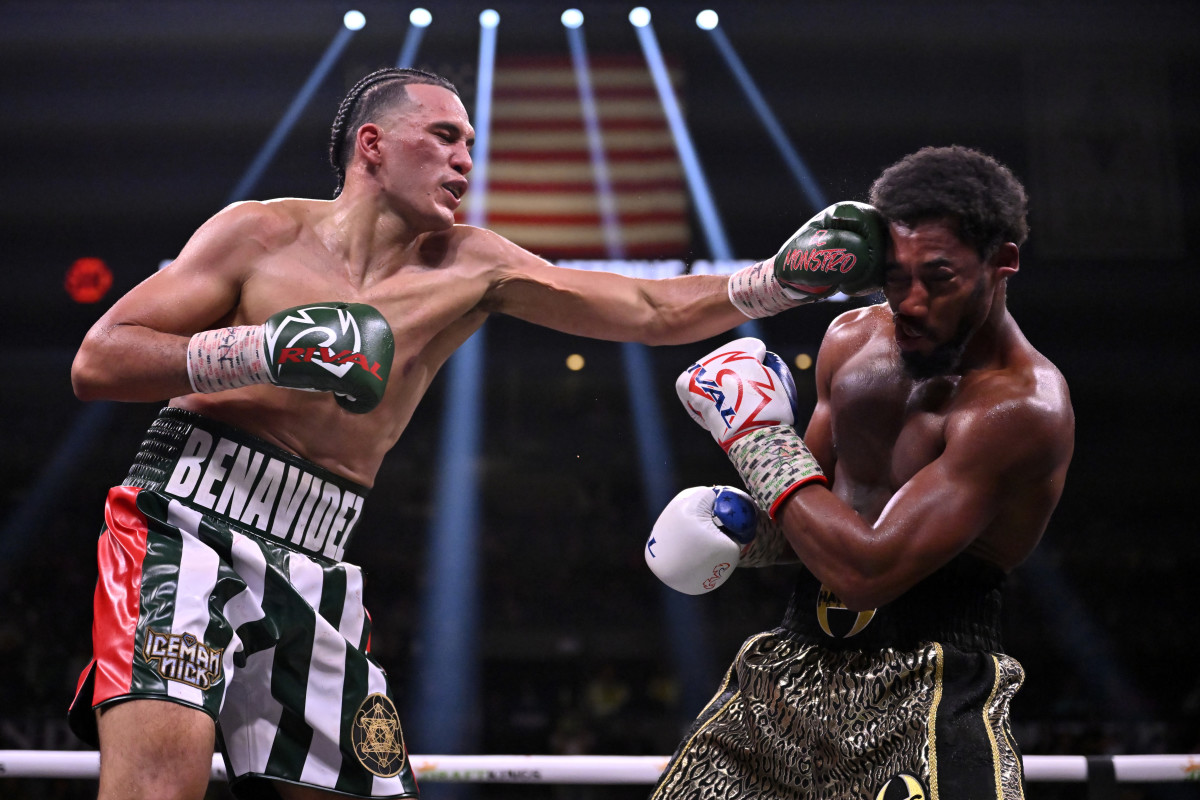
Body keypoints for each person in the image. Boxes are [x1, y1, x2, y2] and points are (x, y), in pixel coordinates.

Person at [65, 66, 885, 800]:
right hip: (185, 524)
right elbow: (101, 359)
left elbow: (643, 308)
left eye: (472, 143)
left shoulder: (471, 264)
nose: (466, 159)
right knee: (158, 787)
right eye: (446, 137)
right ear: (374, 145)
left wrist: (775, 283)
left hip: (319, 554)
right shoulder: (259, 232)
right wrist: (264, 350)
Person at [646, 145, 1075, 800]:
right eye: (895, 276)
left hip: (927, 689)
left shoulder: (1019, 407)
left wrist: (755, 436)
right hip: (785, 673)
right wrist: (740, 530)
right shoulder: (851, 340)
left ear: (1002, 261)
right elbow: (809, 519)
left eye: (939, 277)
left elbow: (867, 573)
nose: (909, 301)